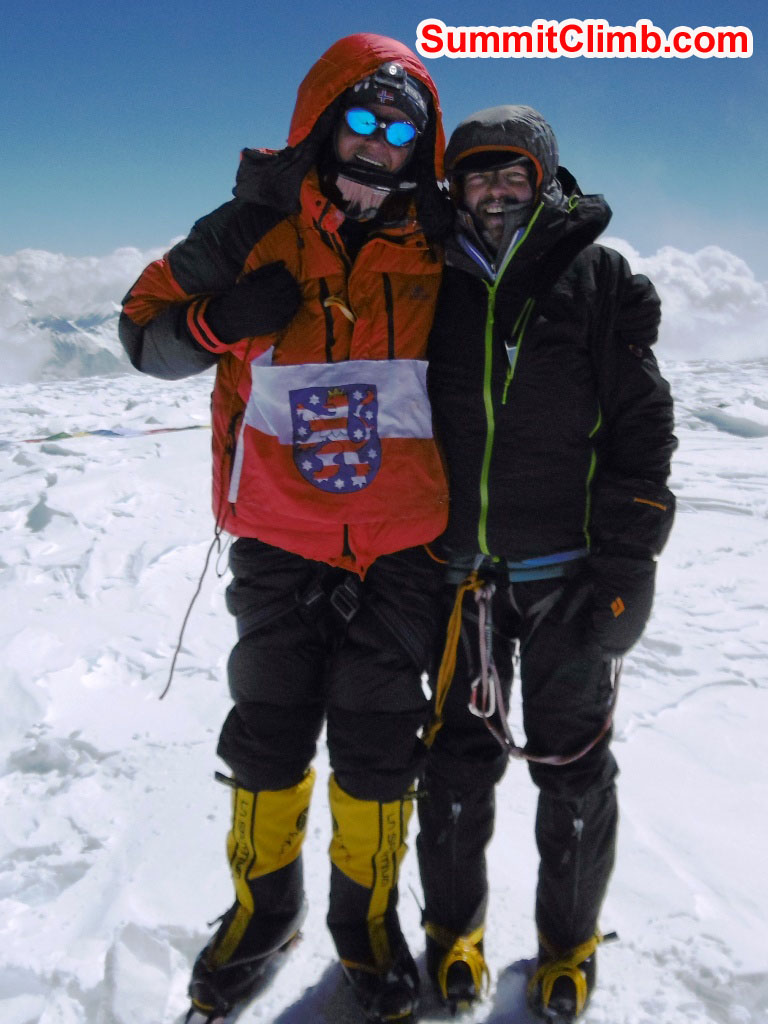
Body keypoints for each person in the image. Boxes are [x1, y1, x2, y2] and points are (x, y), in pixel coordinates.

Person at [119, 34, 452, 1024]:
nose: (382, 143)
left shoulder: (443, 238)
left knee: (379, 745)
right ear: (321, 122)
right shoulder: (247, 227)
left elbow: (530, 302)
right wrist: (219, 322)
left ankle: (368, 920)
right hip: (275, 534)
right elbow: (143, 332)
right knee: (266, 739)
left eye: (404, 128)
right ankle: (265, 912)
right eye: (364, 118)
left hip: (402, 546)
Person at [415, 105, 676, 1022]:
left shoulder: (594, 277)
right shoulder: (425, 275)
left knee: (571, 772)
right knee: (451, 772)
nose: (493, 188)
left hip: (566, 580)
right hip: (457, 582)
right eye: (477, 173)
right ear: (454, 186)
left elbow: (643, 432)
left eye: (511, 172)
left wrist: (627, 567)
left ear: (545, 179)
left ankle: (566, 950)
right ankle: (452, 936)